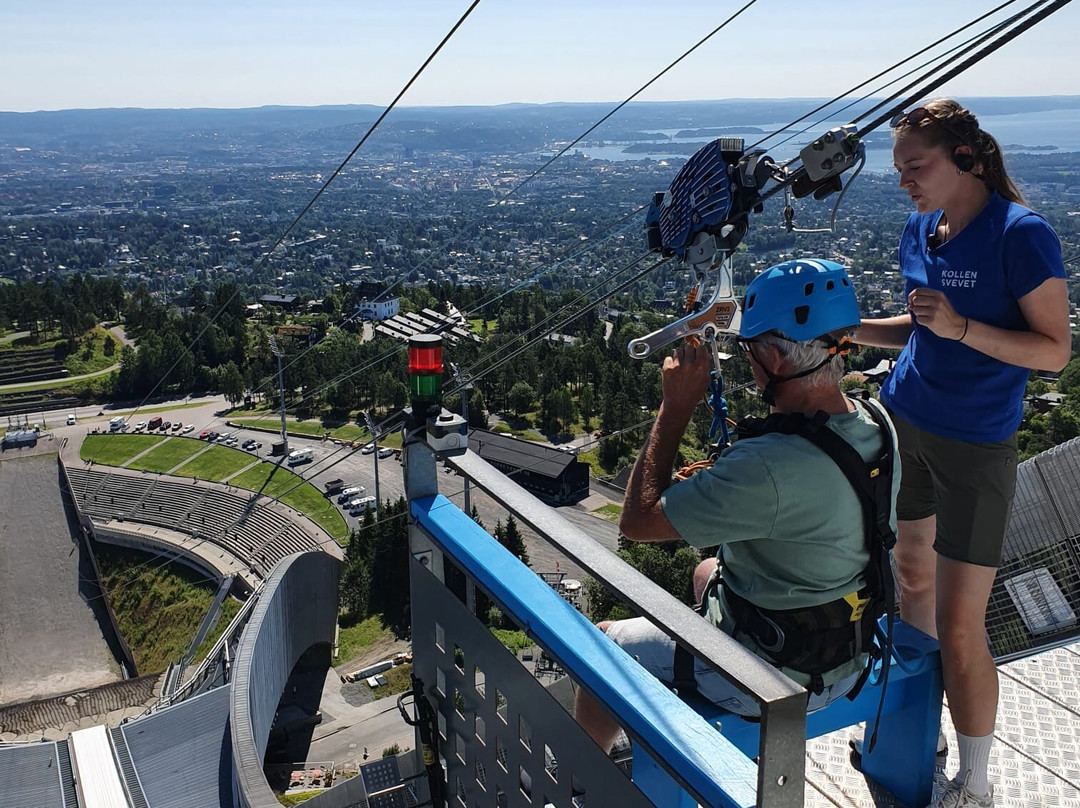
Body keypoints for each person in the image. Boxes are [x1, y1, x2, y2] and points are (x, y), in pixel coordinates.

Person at [575, 258, 900, 753]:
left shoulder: (768, 466)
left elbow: (637, 522)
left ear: (775, 359)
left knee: (600, 644)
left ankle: (581, 776)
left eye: (749, 351)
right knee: (707, 570)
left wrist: (676, 406)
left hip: (778, 679)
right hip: (847, 652)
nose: (746, 363)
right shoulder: (875, 423)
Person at [857, 98, 1071, 808]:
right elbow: (920, 330)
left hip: (976, 444)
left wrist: (961, 327)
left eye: (914, 166)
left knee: (959, 627)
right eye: (898, 170)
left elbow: (1054, 354)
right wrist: (845, 328)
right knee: (908, 581)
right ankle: (920, 731)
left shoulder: (1022, 235)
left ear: (965, 159)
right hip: (907, 421)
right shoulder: (922, 230)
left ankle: (974, 782)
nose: (904, 181)